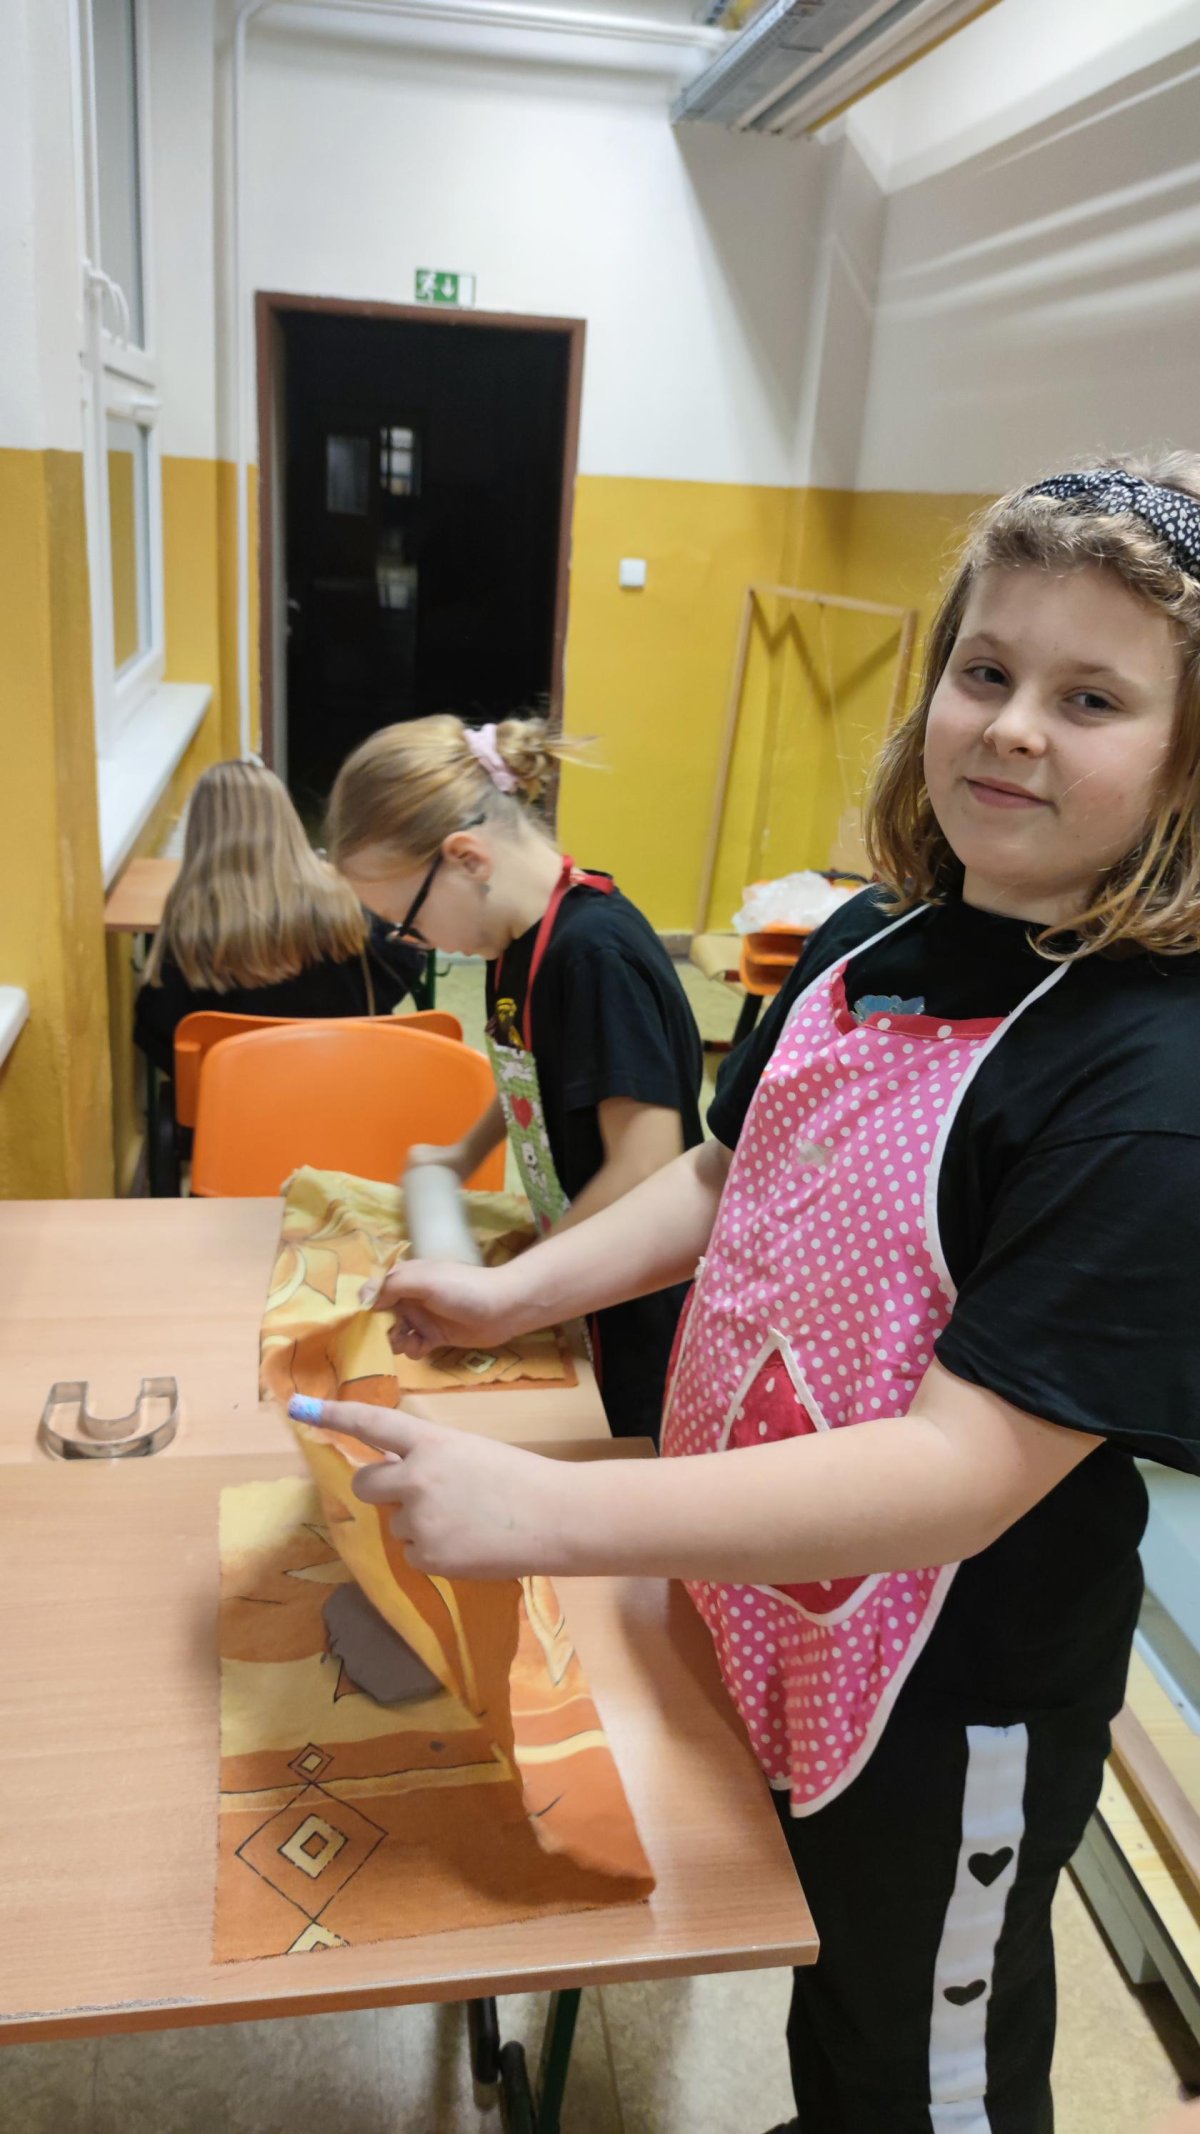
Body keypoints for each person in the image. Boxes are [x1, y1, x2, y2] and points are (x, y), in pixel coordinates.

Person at [291, 456, 1200, 2129]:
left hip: (954, 1685)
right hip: (770, 1595)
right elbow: (722, 1176)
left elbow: (962, 1474)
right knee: (824, 1980)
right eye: (986, 669)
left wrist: (552, 1509)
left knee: (924, 2053)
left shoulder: (1150, 1080)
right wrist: (515, 1294)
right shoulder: (870, 936)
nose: (1011, 728)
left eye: (1092, 698)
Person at [324, 713, 704, 1441]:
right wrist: (458, 1156)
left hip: (634, 1297)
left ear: (467, 859)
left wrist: (513, 1289)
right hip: (576, 1267)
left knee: (617, 1453)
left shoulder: (593, 957)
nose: (417, 943)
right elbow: (532, 1072)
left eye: (407, 921)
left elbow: (647, 1165)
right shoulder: (515, 940)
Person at [135, 758, 425, 1080]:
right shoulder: (345, 905)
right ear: (286, 820)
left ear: (199, 834)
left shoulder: (191, 930)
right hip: (348, 1090)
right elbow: (405, 963)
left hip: (237, 1104)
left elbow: (159, 1033)